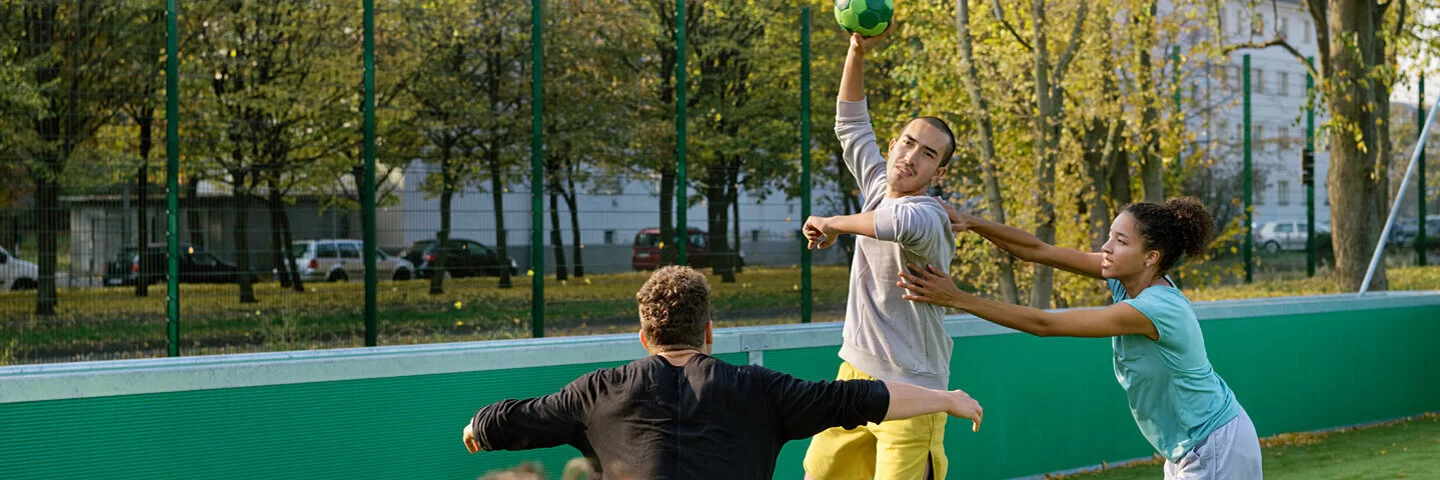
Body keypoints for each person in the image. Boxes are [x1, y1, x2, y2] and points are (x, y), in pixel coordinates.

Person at [461, 266, 983, 480]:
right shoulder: (762, 391)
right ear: (709, 331)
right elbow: (863, 398)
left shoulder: (597, 392)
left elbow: (512, 419)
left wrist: (479, 428)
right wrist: (946, 398)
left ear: (644, 336)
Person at [896, 198, 1263, 479]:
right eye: (1110, 236)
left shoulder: (1156, 307)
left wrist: (956, 298)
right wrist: (971, 222)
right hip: (1189, 446)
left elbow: (1045, 324)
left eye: (1120, 241)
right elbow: (1037, 251)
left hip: (1213, 444)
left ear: (1151, 257)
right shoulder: (1125, 279)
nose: (1106, 247)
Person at [799, 26, 961, 480]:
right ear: (893, 146)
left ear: (938, 172)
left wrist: (833, 223)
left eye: (927, 154)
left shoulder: (928, 215)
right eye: (908, 143)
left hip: (915, 387)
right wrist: (855, 51)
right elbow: (850, 123)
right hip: (854, 375)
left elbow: (894, 224)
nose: (912, 157)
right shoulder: (877, 186)